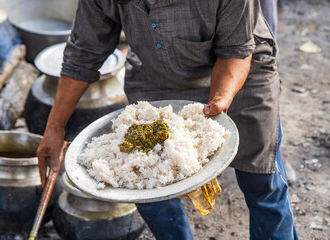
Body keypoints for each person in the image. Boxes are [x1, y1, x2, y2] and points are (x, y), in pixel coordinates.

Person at [36, 0, 299, 239]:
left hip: (241, 70)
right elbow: (83, 54)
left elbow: (235, 50)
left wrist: (217, 104)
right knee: (147, 187)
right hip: (156, 72)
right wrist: (54, 129)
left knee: (262, 183)